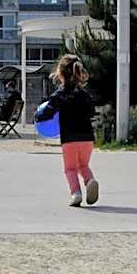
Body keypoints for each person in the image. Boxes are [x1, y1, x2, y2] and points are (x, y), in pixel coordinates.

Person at [35, 55, 99, 207]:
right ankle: (90, 180)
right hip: (87, 138)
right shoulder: (84, 94)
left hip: (69, 139)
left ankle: (76, 193)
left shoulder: (60, 94)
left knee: (70, 168)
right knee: (83, 165)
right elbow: (91, 112)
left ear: (61, 74)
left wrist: (38, 115)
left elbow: (47, 112)